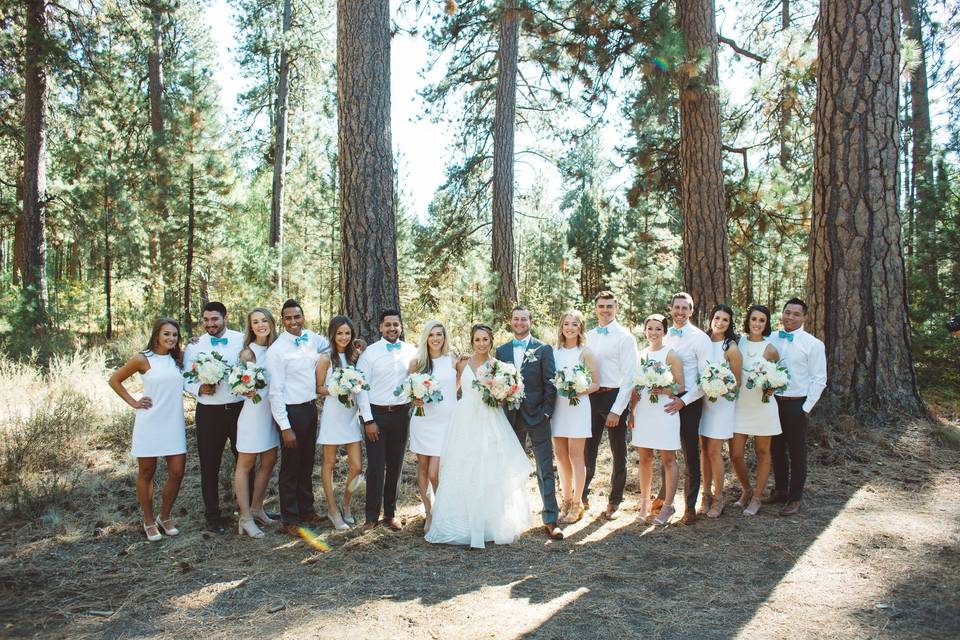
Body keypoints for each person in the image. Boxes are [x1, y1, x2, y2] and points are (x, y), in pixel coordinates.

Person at [426, 324, 531, 548]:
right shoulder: (461, 363)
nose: (481, 343)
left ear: (491, 341)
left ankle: (490, 524)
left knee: (491, 470)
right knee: (463, 468)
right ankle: (461, 524)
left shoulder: (500, 367)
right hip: (464, 419)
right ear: (471, 342)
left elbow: (503, 398)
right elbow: (448, 388)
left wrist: (502, 393)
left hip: (490, 420)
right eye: (477, 340)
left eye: (485, 339)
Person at [108, 318, 186, 542]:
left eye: (175, 335)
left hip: (174, 422)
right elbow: (115, 380)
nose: (171, 338)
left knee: (177, 472)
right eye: (166, 334)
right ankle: (149, 520)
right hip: (150, 422)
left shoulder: (177, 358)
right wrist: (133, 402)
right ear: (156, 335)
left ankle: (165, 515)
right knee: (147, 473)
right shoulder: (143, 359)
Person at [496, 305, 563, 540]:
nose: (520, 323)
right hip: (511, 418)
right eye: (516, 319)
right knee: (510, 468)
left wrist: (546, 412)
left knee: (545, 468)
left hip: (538, 417)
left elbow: (551, 382)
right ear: (510, 321)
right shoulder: (501, 351)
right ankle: (510, 517)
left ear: (530, 321)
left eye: (524, 319)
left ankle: (551, 518)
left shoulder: (543, 349)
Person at [265, 299, 330, 537]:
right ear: (282, 321)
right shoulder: (277, 350)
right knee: (290, 466)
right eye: (288, 318)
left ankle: (307, 510)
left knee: (306, 463)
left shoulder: (312, 338)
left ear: (303, 317)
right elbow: (275, 392)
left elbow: (331, 346)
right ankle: (289, 518)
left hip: (310, 408)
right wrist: (285, 426)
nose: (293, 322)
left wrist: (355, 343)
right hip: (290, 412)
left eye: (297, 317)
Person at [182, 301, 246, 534]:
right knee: (210, 464)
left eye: (214, 319)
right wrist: (198, 388)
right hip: (209, 412)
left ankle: (246, 511)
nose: (210, 324)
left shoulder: (241, 338)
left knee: (245, 460)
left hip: (239, 409)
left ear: (225, 317)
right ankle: (213, 515)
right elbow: (186, 377)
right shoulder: (195, 345)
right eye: (206, 320)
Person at [357, 310, 417, 533]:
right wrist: (368, 420)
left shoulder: (412, 352)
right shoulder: (370, 354)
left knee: (396, 466)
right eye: (388, 325)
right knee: (375, 467)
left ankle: (390, 514)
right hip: (376, 416)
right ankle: (371, 517)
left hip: (401, 415)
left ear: (401, 327)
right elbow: (361, 388)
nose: (392, 328)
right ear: (380, 328)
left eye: (396, 325)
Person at [767, 298, 827, 516]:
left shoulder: (813, 344)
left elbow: (819, 379)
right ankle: (780, 490)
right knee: (776, 449)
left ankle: (795, 498)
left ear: (804, 317)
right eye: (787, 313)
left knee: (796, 451)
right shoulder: (771, 338)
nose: (790, 317)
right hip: (773, 403)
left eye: (795, 314)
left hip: (796, 404)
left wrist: (805, 408)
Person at [584, 291, 638, 520]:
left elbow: (630, 376)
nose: (605, 310)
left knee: (618, 451)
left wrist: (617, 409)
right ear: (595, 308)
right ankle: (582, 495)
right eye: (601, 306)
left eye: (609, 306)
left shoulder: (625, 337)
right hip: (591, 396)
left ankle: (615, 501)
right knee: (588, 448)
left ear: (617, 307)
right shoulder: (587, 336)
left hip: (614, 396)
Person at [627, 314, 684, 525]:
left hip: (664, 410)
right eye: (650, 328)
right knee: (645, 458)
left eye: (658, 329)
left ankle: (668, 505)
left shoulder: (671, 355)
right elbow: (635, 386)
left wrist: (662, 388)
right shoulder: (640, 355)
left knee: (668, 459)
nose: (654, 332)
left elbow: (680, 386)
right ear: (644, 331)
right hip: (644, 411)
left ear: (664, 332)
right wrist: (632, 412)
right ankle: (644, 502)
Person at [660, 292, 712, 525]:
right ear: (670, 309)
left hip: (689, 401)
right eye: (676, 308)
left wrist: (685, 400)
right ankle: (664, 499)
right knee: (665, 449)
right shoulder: (664, 334)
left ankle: (689, 506)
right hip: (665, 399)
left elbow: (706, 379)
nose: (680, 312)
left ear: (692, 311)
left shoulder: (700, 338)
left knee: (691, 452)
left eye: (685, 308)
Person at [407, 320, 459, 534]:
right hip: (423, 420)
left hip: (445, 421)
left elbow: (455, 387)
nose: (436, 338)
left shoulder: (453, 360)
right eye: (432, 335)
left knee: (435, 473)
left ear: (444, 338)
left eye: (440, 334)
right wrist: (415, 400)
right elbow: (408, 391)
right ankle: (429, 513)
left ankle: (443, 512)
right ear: (426, 338)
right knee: (422, 468)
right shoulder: (417, 363)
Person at [731, 305, 782, 517]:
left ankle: (757, 498)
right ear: (748, 320)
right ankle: (746, 489)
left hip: (763, 407)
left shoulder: (770, 348)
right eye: (754, 319)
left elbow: (779, 377)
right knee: (735, 454)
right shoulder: (738, 342)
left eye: (762, 320)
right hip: (740, 405)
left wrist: (771, 386)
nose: (757, 323)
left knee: (762, 453)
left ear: (766, 323)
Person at [234, 308, 281, 538]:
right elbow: (237, 384)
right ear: (250, 327)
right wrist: (245, 390)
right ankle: (245, 517)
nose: (261, 324)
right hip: (253, 414)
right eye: (255, 322)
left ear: (271, 323)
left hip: (272, 414)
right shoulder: (247, 354)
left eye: (264, 320)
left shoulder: (277, 348)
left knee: (270, 459)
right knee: (246, 464)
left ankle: (257, 507)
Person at [316, 315, 365, 530]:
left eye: (347, 333)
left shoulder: (355, 356)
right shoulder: (325, 358)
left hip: (351, 415)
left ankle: (346, 505)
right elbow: (317, 388)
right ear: (332, 334)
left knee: (356, 466)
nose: (344, 337)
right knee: (330, 464)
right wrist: (336, 389)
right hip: (333, 415)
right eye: (340, 333)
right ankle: (332, 510)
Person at [551, 310, 599, 525]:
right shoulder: (554, 352)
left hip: (578, 405)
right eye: (566, 324)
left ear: (580, 328)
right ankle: (566, 499)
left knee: (576, 456)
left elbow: (596, 383)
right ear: (561, 327)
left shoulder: (585, 352)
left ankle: (578, 502)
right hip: (559, 407)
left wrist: (580, 389)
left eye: (574, 324)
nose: (569, 328)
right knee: (560, 456)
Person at [698, 304, 741, 519]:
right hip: (702, 401)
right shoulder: (703, 342)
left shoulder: (730, 347)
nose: (720, 322)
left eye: (725, 319)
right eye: (717, 318)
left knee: (714, 451)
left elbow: (737, 381)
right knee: (703, 451)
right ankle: (704, 495)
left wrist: (720, 385)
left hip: (722, 403)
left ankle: (719, 497)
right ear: (710, 318)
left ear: (730, 323)